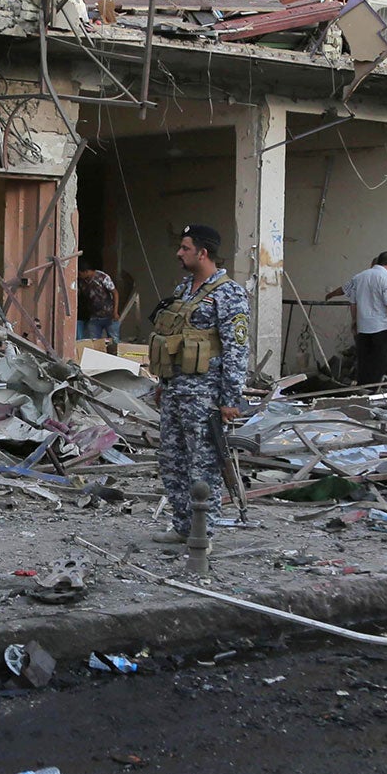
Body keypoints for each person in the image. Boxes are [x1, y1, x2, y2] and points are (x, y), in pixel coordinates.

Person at [150, 224, 250, 545]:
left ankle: (202, 531)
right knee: (172, 459)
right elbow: (172, 339)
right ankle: (182, 525)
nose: (179, 253)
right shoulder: (183, 290)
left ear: (202, 253)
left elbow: (237, 349)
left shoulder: (229, 293)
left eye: (185, 248)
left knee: (203, 464)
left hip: (205, 396)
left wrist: (230, 399)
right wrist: (163, 382)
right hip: (176, 390)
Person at [337, 250, 387, 386]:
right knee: (379, 360)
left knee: (364, 359)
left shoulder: (359, 277)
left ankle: (362, 386)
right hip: (380, 327)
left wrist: (354, 321)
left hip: (363, 327)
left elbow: (353, 303)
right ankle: (373, 388)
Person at [76, 260, 122, 342]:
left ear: (86, 271)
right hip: (94, 317)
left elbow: (115, 293)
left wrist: (115, 312)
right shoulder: (82, 282)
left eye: (80, 273)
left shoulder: (102, 277)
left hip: (109, 315)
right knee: (93, 341)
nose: (79, 276)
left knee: (114, 340)